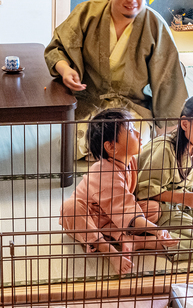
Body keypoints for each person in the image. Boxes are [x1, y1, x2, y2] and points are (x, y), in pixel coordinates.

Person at [45, 0, 188, 159]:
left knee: (134, 150)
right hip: (91, 102)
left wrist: (167, 133)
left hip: (133, 107)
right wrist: (65, 69)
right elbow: (56, 48)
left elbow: (169, 78)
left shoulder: (155, 25)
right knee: (74, 147)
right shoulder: (86, 13)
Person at [60, 108, 178, 275]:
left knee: (153, 208)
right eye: (130, 130)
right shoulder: (103, 172)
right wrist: (157, 230)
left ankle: (132, 241)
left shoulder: (131, 163)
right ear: (111, 147)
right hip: (91, 216)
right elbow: (125, 210)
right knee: (70, 209)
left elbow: (127, 204)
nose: (137, 132)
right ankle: (109, 249)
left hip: (113, 215)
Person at [135, 92, 193, 261]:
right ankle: (140, 241)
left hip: (182, 206)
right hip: (160, 210)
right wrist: (183, 198)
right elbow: (144, 190)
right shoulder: (165, 149)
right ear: (185, 124)